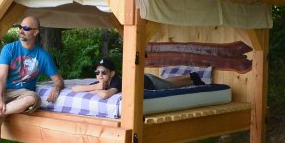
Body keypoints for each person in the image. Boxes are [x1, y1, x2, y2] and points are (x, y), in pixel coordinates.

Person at [71, 58, 205, 100]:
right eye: (97, 72)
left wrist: (96, 89)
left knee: (170, 85)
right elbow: (74, 88)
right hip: (144, 79)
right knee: (168, 82)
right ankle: (191, 77)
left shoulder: (117, 80)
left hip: (148, 82)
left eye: (103, 72)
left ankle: (192, 79)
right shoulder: (101, 81)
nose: (100, 74)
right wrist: (95, 87)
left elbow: (106, 94)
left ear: (112, 73)